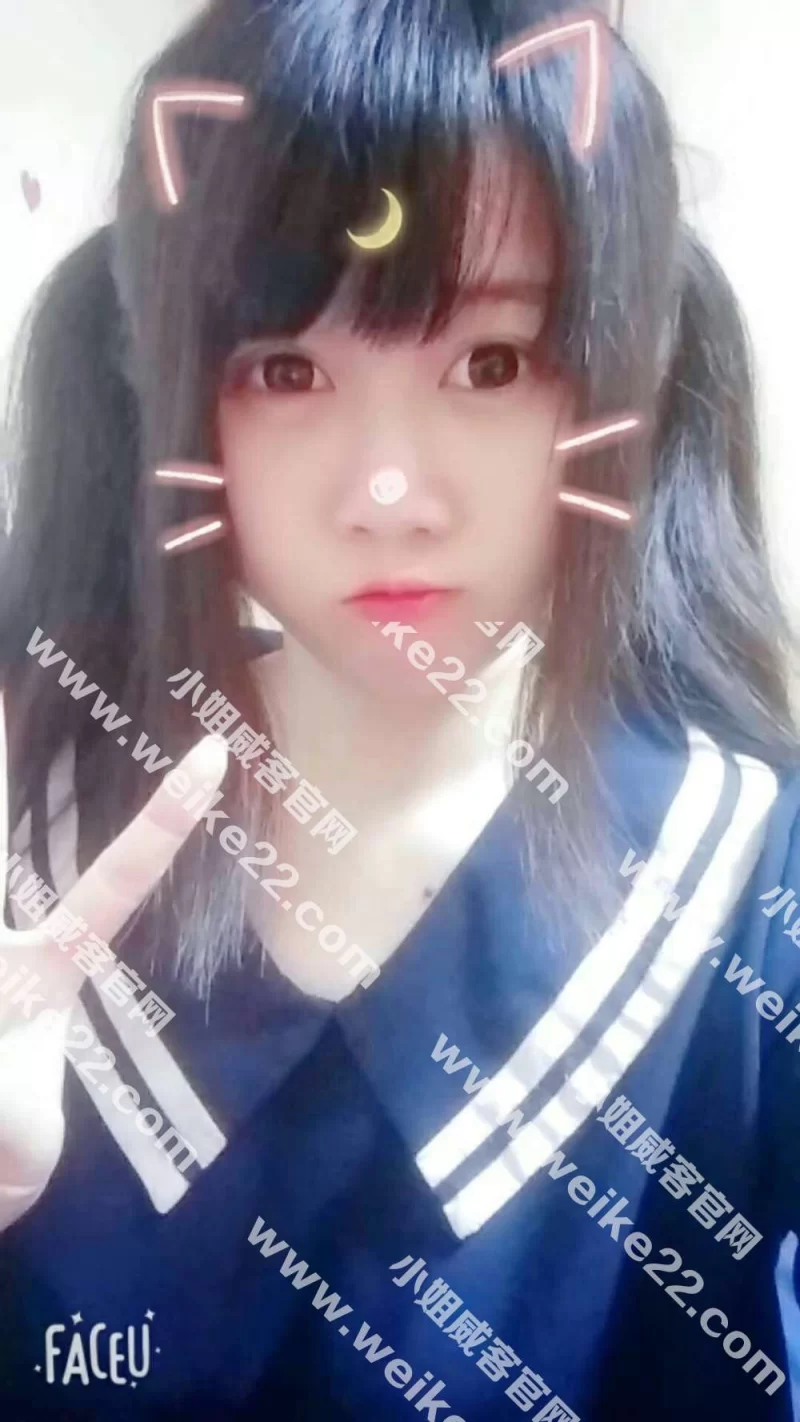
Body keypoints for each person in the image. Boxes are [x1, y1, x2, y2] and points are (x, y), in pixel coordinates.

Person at [0, 0, 798, 1417]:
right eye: (285, 371)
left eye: (492, 363)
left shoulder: (752, 891)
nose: (387, 494)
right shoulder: (31, 832)